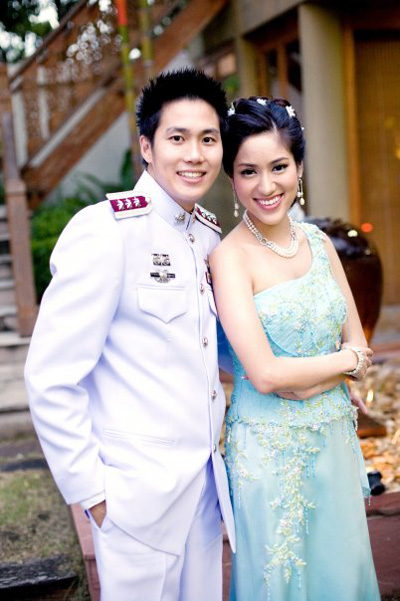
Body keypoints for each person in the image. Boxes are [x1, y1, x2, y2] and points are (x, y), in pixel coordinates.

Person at [24, 68, 235, 601]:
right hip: (134, 502)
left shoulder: (207, 235)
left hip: (204, 496)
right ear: (147, 146)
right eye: (177, 138)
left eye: (208, 139)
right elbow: (51, 375)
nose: (194, 155)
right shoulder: (107, 231)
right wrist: (93, 492)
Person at [210, 96, 380, 601]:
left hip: (334, 438)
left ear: (299, 167)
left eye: (278, 167)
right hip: (269, 450)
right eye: (249, 171)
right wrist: (344, 366)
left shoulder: (320, 244)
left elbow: (360, 346)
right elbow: (265, 375)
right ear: (232, 178)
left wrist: (323, 375)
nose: (266, 186)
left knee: (341, 571)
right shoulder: (229, 259)